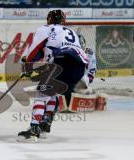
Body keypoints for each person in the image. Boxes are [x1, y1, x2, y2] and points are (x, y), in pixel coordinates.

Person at [17, 9, 88, 142]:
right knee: (52, 92)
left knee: (41, 94)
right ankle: (45, 125)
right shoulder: (71, 31)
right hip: (79, 68)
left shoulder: (45, 29)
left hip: (62, 60)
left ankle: (34, 130)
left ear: (49, 20)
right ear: (64, 21)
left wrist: (27, 66)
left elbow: (34, 49)